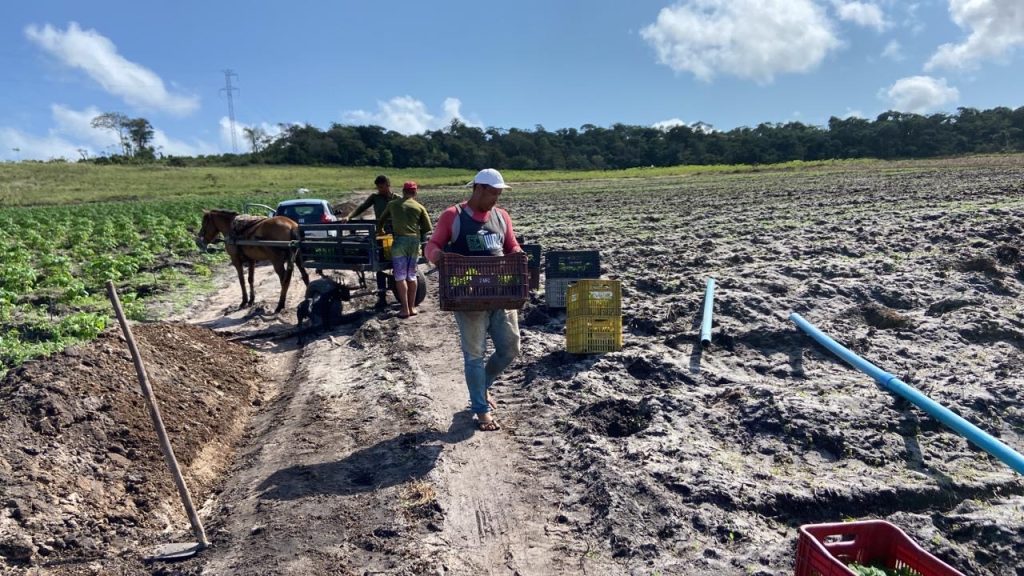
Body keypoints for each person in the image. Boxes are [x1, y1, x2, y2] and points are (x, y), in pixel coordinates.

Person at [425, 168, 523, 432]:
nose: (496, 199)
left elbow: (511, 245)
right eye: (493, 193)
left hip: (500, 293)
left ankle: (482, 387)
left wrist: (517, 253)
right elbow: (431, 246)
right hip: (467, 296)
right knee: (474, 355)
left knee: (510, 348)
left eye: (499, 194)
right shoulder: (453, 216)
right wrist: (439, 257)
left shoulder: (501, 216)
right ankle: (481, 409)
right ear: (478, 189)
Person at [377, 181, 432, 319]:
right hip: (414, 242)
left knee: (400, 276)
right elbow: (427, 227)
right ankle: (412, 308)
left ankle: (405, 309)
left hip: (400, 242)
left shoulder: (392, 204)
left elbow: (381, 221)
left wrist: (381, 230)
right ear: (415, 192)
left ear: (403, 191)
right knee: (412, 276)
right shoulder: (419, 207)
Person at [343, 175, 397, 308]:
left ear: (388, 185)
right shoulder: (375, 197)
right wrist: (349, 216)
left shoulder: (397, 199)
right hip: (381, 234)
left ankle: (400, 291)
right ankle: (382, 297)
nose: (380, 190)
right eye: (378, 187)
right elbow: (362, 207)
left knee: (397, 263)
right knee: (379, 264)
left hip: (396, 234)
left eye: (382, 187)